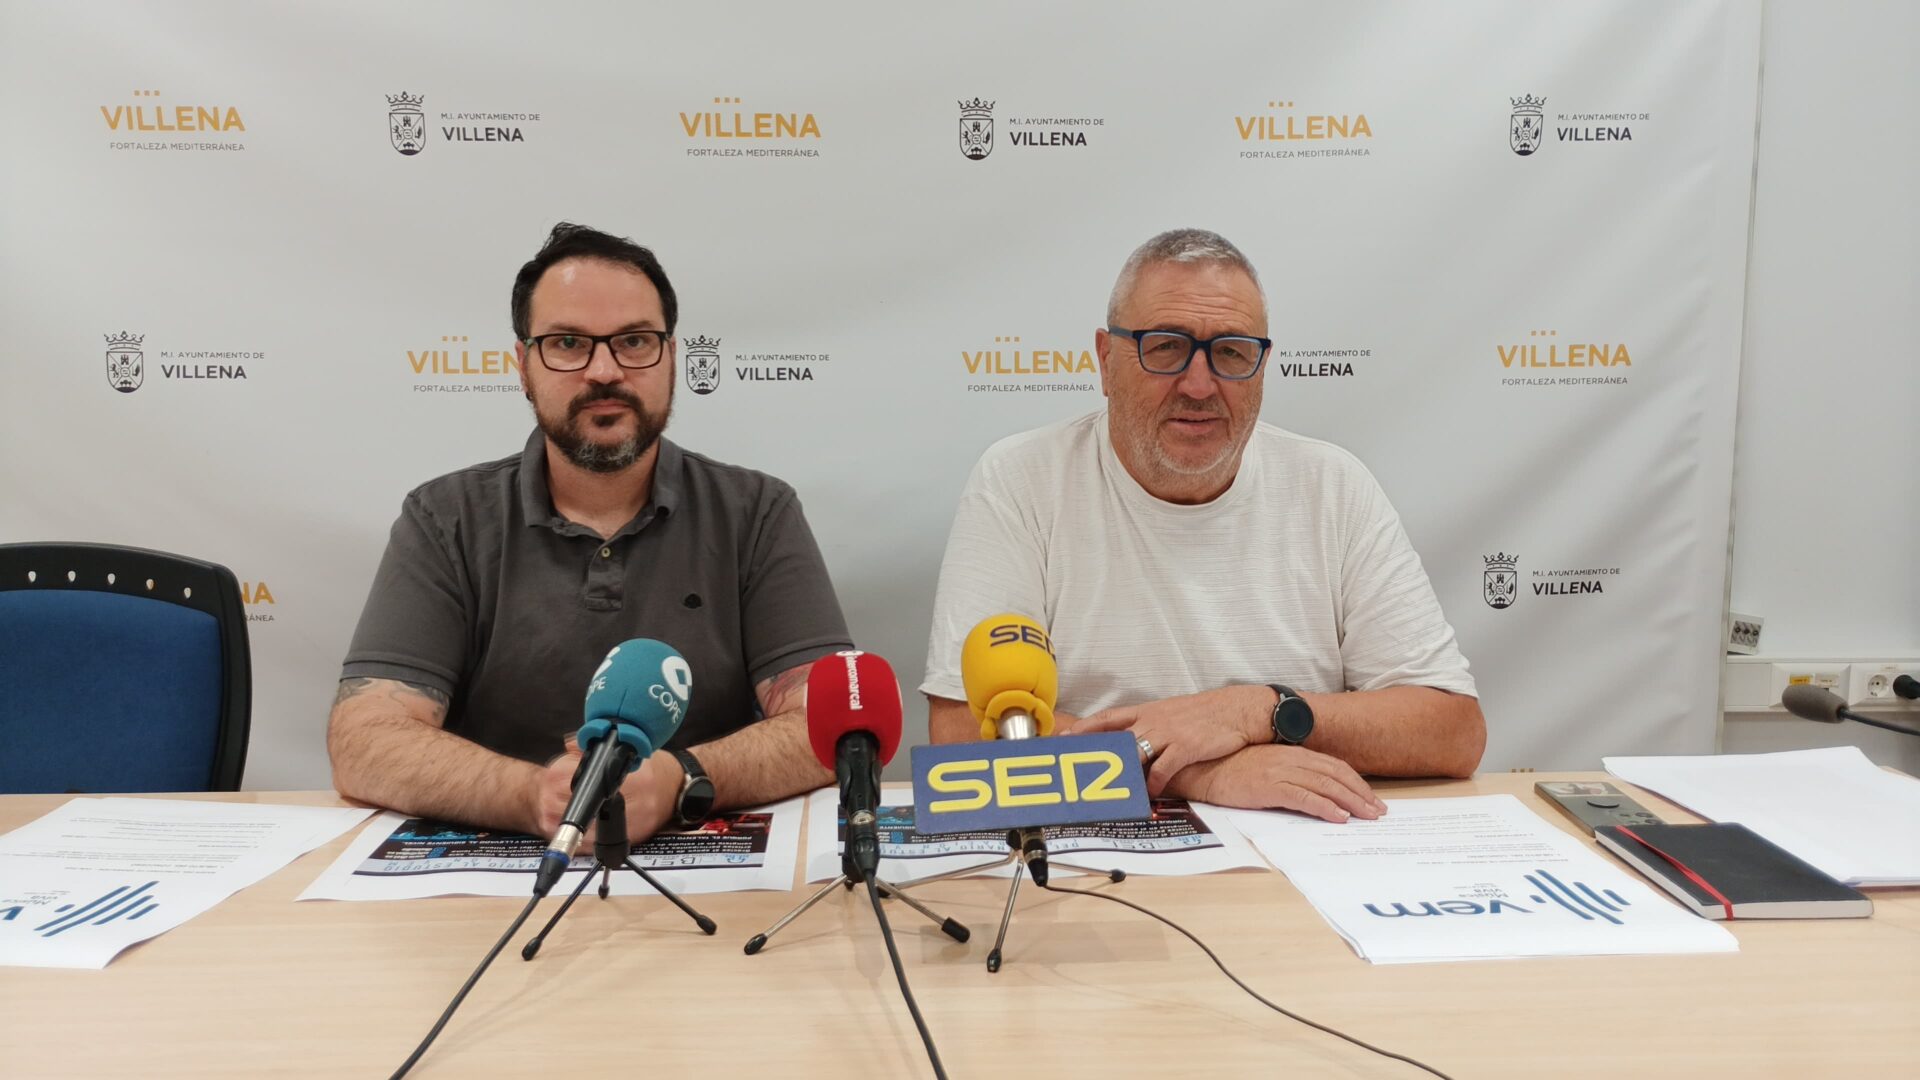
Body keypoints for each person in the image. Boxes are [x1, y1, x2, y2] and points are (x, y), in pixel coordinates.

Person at [921, 228, 1484, 823]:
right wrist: (1200, 772)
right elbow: (960, 730)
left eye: (1232, 352)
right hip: (1085, 848)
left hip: (1300, 852)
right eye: (1165, 347)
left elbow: (1453, 732)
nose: (1198, 384)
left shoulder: (1333, 485)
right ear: (1106, 360)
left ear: (1262, 366)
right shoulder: (1022, 479)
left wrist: (1256, 711)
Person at [329, 222, 852, 843]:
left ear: (672, 357)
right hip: (499, 868)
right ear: (523, 366)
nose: (604, 371)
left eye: (634, 341)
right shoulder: (445, 518)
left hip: (709, 861)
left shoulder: (757, 511)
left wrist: (679, 778)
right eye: (568, 343)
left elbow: (832, 725)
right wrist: (532, 795)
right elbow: (364, 740)